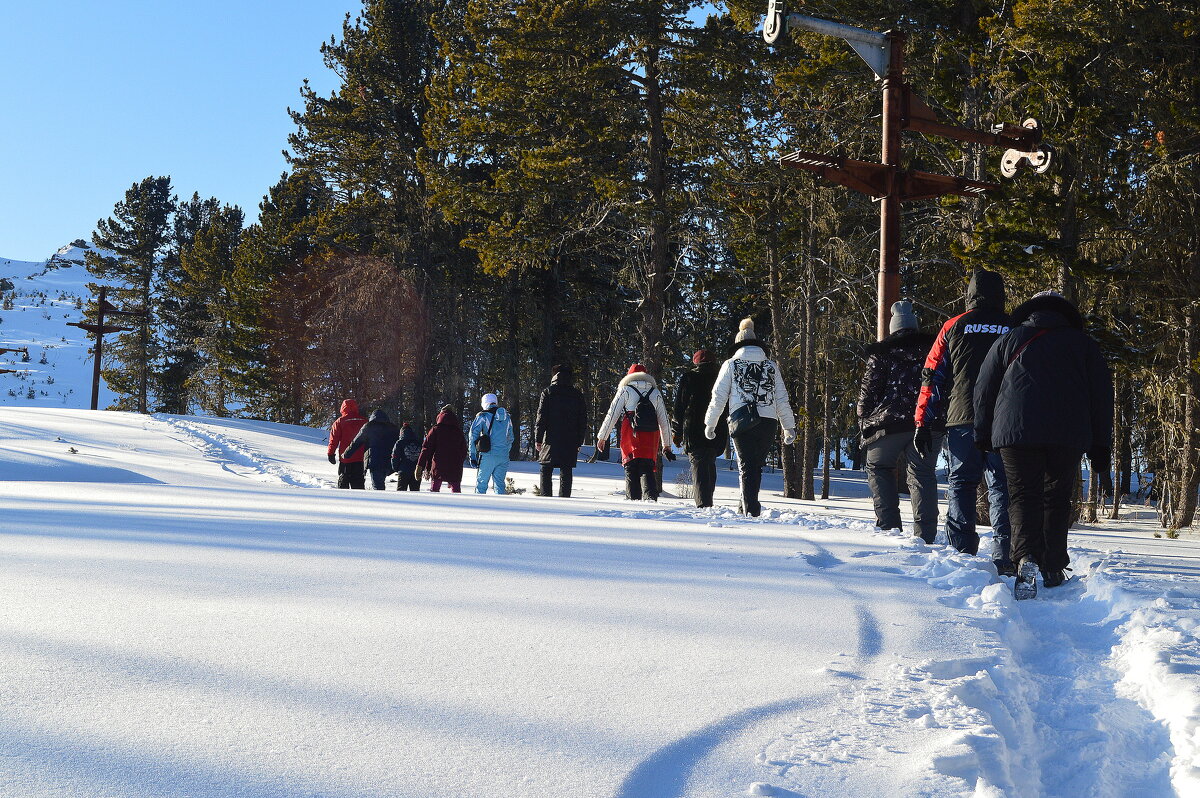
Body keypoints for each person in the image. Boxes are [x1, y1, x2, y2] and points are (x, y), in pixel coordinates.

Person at [974, 291, 1113, 599]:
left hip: (1015, 431)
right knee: (1057, 497)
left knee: (1023, 496)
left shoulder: (1008, 340)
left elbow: (984, 389)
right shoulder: (1084, 345)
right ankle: (1052, 566)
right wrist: (1101, 445)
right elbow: (1102, 398)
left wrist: (982, 432)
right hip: (1068, 433)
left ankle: (1025, 558)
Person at [914, 268, 1014, 571]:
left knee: (961, 484)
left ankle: (962, 553)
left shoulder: (953, 326)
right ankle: (1005, 553)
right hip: (1004, 420)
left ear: (969, 294)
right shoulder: (1015, 327)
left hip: (962, 418)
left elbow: (932, 376)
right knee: (1002, 487)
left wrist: (922, 421)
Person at [857, 301, 943, 541]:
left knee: (879, 467)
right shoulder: (934, 350)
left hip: (888, 426)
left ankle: (889, 528)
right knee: (923, 474)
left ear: (893, 328)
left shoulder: (881, 354)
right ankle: (925, 535)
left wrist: (864, 420)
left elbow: (867, 395)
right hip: (927, 423)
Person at [704, 318, 797, 517]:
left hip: (742, 419)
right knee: (755, 466)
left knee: (745, 465)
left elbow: (718, 396)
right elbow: (781, 398)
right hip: (768, 421)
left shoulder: (731, 364)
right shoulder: (771, 366)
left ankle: (750, 510)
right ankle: (745, 506)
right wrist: (788, 426)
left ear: (738, 345)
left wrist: (710, 423)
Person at [596, 363, 673, 501]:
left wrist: (603, 437)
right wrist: (667, 444)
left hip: (631, 433)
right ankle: (650, 499)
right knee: (647, 467)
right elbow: (664, 420)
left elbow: (612, 414)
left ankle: (633, 501)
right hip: (651, 434)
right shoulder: (655, 392)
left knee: (631, 467)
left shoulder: (625, 390)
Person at [673, 349, 728, 508]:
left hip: (694, 428)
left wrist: (677, 431)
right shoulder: (722, 378)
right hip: (716, 428)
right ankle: (707, 500)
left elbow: (679, 407)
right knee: (709, 463)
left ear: (696, 362)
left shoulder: (689, 377)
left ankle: (704, 505)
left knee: (699, 465)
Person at [533, 364, 587, 497]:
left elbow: (541, 418)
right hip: (570, 439)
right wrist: (579, 442)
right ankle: (565, 501)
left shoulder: (548, 392)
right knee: (566, 471)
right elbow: (582, 420)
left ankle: (546, 500)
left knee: (546, 469)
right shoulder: (577, 394)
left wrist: (538, 439)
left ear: (554, 375)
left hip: (550, 439)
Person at [344, 408, 400, 490]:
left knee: (377, 486)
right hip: (389, 460)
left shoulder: (368, 427)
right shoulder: (393, 428)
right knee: (380, 482)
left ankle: (380, 501)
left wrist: (347, 454)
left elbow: (356, 442)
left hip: (374, 460)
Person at [470, 393, 515, 495]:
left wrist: (472, 455)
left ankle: (479, 509)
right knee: (499, 485)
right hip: (503, 456)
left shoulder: (483, 416)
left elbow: (473, 435)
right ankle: (501, 509)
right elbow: (511, 438)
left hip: (487, 455)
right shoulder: (507, 417)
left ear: (484, 403)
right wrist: (505, 451)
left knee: (481, 485)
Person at [416, 405, 469, 493]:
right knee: (456, 492)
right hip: (455, 467)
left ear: (440, 414)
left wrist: (420, 466)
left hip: (438, 466)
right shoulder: (458, 432)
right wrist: (458, 463)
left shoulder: (435, 430)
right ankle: (458, 506)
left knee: (435, 491)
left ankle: (434, 505)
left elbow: (426, 449)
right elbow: (463, 451)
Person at [327, 398, 368, 489]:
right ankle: (360, 502)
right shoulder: (364, 421)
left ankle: (343, 501)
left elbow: (334, 440)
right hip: (360, 458)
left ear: (343, 408)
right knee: (358, 484)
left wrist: (331, 453)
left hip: (345, 457)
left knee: (343, 482)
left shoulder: (340, 422)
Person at [390, 422, 422, 491]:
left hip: (403, 470)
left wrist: (396, 468)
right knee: (415, 492)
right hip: (416, 471)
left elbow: (395, 456)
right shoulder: (418, 442)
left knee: (401, 492)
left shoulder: (400, 442)